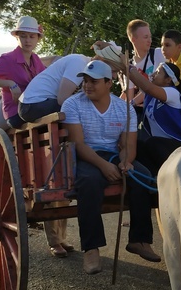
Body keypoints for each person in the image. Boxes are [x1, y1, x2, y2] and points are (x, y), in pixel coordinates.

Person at [61, 60, 160, 274]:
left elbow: (129, 145)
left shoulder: (124, 109)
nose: (87, 85)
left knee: (141, 176)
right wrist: (104, 166)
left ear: (109, 83)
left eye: (93, 81)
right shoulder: (72, 105)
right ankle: (91, 248)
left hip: (114, 154)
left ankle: (139, 240)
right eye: (85, 80)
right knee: (89, 182)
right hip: (86, 156)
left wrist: (125, 161)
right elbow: (78, 144)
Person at [16, 53, 91, 258]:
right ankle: (54, 242)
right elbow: (62, 100)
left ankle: (62, 239)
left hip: (39, 104)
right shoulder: (79, 63)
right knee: (53, 184)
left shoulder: (81, 65)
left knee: (64, 190)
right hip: (33, 106)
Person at [101, 46, 181, 175]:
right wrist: (110, 51)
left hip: (177, 146)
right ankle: (150, 179)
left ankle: (165, 176)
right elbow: (135, 98)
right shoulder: (151, 96)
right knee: (137, 146)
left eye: (158, 72)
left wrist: (127, 65)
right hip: (159, 146)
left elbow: (147, 87)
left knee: (152, 143)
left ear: (168, 80)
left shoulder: (172, 93)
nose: (153, 74)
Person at [0, 16, 46, 129]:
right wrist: (10, 83)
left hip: (34, 106)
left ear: (37, 39)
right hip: (16, 113)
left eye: (31, 36)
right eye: (23, 36)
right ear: (17, 37)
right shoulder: (7, 59)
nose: (27, 40)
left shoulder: (36, 59)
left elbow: (46, 79)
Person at [122, 20, 165, 115]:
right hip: (145, 113)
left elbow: (154, 86)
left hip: (161, 109)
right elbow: (128, 97)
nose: (150, 40)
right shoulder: (129, 66)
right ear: (133, 39)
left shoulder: (158, 54)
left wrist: (133, 103)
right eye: (146, 37)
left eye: (150, 36)